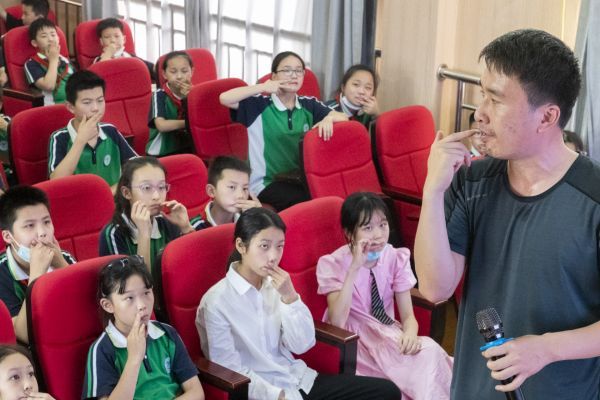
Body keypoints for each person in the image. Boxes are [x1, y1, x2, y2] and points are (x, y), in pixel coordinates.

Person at [413, 29, 598, 399]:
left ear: (547, 117)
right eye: (483, 94)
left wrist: (545, 349)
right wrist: (432, 192)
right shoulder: (472, 181)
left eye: (495, 100)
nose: (479, 113)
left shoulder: (592, 198)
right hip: (473, 388)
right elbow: (435, 288)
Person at [196, 207, 401, 400]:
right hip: (266, 394)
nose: (273, 256)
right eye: (264, 246)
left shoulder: (276, 285)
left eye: (279, 246)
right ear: (241, 246)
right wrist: (278, 396)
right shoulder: (216, 302)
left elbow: (302, 345)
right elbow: (229, 370)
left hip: (299, 380)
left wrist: (290, 298)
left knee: (387, 392)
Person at [317, 192, 452, 399]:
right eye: (367, 228)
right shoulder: (332, 263)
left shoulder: (395, 256)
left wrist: (410, 334)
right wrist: (354, 268)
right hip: (355, 342)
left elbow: (408, 316)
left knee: (430, 353)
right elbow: (337, 321)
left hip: (388, 333)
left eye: (383, 224)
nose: (378, 235)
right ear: (350, 233)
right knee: (407, 376)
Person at [219, 51, 348, 211]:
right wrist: (263, 87)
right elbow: (224, 98)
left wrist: (329, 118)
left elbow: (344, 117)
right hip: (265, 183)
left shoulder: (309, 104)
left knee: (330, 194)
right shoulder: (259, 105)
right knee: (308, 201)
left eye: (298, 71)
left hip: (298, 179)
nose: (293, 75)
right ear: (274, 76)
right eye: (287, 70)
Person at [82, 255, 205, 399]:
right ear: (108, 305)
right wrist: (134, 359)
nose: (142, 305)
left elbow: (197, 392)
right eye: (129, 298)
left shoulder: (167, 333)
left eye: (146, 293)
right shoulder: (102, 349)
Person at [0, 186, 75, 343]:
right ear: (8, 236)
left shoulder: (63, 258)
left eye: (46, 222)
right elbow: (23, 336)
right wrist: (37, 274)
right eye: (29, 226)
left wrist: (61, 266)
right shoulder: (2, 273)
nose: (42, 233)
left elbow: (91, 309)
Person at [99, 156, 197, 273]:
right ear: (127, 193)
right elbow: (140, 283)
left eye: (161, 187)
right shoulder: (113, 233)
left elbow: (194, 270)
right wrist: (144, 234)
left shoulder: (167, 222)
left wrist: (186, 228)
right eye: (146, 188)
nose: (156, 196)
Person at [48, 70, 137, 191]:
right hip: (80, 201)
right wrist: (80, 140)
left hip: (113, 198)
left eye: (100, 100)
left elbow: (137, 167)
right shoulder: (59, 138)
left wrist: (112, 192)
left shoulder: (110, 131)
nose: (96, 108)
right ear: (70, 107)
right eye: (87, 102)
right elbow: (55, 182)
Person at [190, 156, 261, 228]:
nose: (240, 195)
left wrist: (260, 220)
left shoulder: (248, 220)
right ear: (211, 191)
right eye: (232, 187)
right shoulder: (194, 227)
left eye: (245, 188)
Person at [147, 51, 194, 156]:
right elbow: (161, 125)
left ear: (192, 71)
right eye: (173, 72)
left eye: (184, 71)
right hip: (162, 151)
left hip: (188, 148)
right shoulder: (159, 95)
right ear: (164, 74)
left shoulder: (195, 94)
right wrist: (190, 123)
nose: (179, 76)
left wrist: (189, 98)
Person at [24, 18, 75, 105]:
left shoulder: (65, 59)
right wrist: (53, 60)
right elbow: (49, 86)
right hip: (53, 107)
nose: (50, 39)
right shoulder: (32, 63)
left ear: (58, 38)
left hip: (74, 104)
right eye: (44, 36)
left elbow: (78, 83)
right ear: (35, 43)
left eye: (53, 34)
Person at [0, 0, 50, 87]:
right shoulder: (16, 31)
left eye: (26, 14)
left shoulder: (52, 36)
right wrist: (2, 70)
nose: (22, 17)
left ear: (39, 18)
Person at [326, 64, 379, 132]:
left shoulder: (369, 111)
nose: (361, 92)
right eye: (356, 84)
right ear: (343, 87)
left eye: (368, 87)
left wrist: (376, 115)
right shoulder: (327, 109)